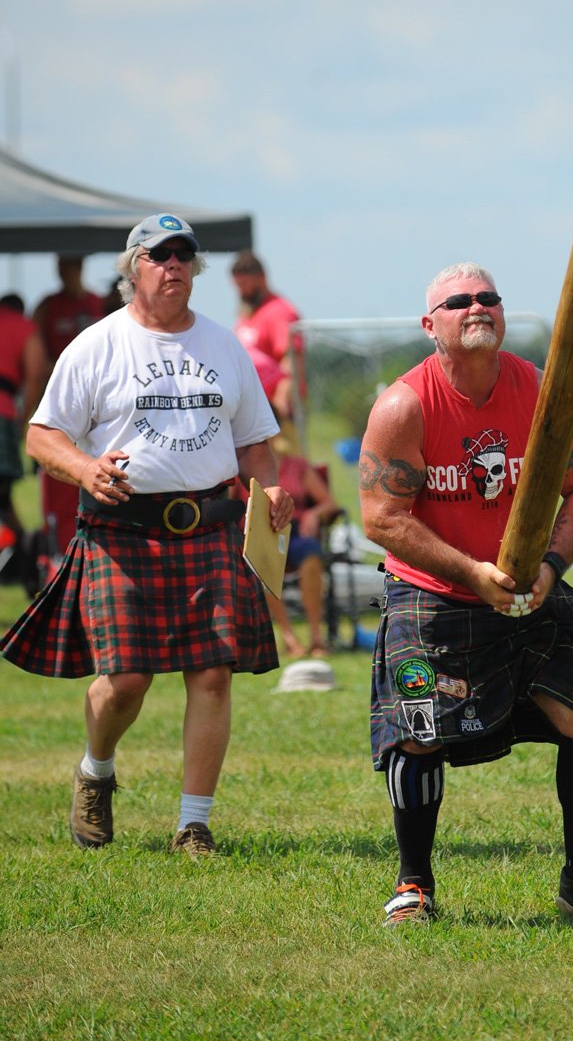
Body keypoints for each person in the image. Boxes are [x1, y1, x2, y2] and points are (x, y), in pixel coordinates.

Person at [1, 213, 294, 857]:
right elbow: (41, 435)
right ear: (132, 269)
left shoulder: (223, 346)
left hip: (211, 527)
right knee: (126, 680)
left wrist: (268, 490)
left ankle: (193, 824)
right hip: (122, 530)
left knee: (212, 675)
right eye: (160, 256)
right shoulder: (97, 345)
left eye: (184, 256)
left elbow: (256, 447)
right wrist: (85, 467)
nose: (175, 266)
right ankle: (95, 770)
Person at [359, 263, 573, 927]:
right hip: (431, 597)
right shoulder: (405, 406)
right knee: (417, 732)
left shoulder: (540, 392)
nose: (477, 305)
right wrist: (472, 571)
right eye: (459, 300)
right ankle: (414, 884)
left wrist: (553, 563)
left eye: (489, 297)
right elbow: (381, 517)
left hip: (527, 591)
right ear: (431, 325)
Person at [32, 255, 107, 551]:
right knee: (59, 488)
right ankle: (58, 556)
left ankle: (87, 548)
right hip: (61, 405)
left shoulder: (97, 303)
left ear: (80, 267)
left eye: (71, 265)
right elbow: (36, 357)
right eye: (62, 267)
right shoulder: (47, 306)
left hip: (97, 408)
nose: (66, 272)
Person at [267, 451, 340, 658]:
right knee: (260, 563)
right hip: (263, 535)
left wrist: (313, 513)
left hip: (296, 531)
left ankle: (317, 638)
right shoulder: (242, 466)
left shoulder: (297, 465)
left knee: (311, 554)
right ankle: (289, 638)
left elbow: (329, 503)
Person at [230, 250, 305, 422]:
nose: (241, 291)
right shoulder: (248, 314)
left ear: (261, 278)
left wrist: (281, 401)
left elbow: (292, 359)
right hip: (252, 406)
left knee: (283, 450)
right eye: (237, 285)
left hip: (277, 410)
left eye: (244, 284)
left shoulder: (280, 312)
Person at [0, 294, 48, 550]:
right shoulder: (23, 326)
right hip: (2, 410)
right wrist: (24, 420)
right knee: (3, 492)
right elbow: (35, 375)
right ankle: (18, 552)